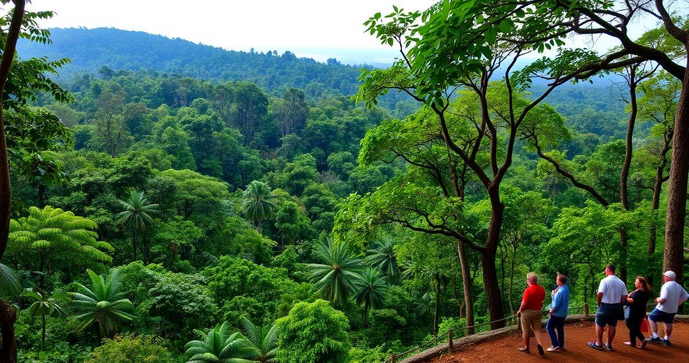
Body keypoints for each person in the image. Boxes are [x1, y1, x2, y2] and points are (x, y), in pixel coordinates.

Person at [588, 264, 628, 351]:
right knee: (612, 325)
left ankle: (598, 343)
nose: (605, 271)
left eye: (606, 270)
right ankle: (609, 344)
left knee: (599, 323)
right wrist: (620, 303)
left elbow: (600, 293)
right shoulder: (621, 282)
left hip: (605, 305)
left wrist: (598, 303)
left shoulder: (604, 281)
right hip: (616, 306)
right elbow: (625, 295)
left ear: (609, 270)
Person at [646, 270, 689, 347]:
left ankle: (655, 336)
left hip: (663, 308)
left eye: (664, 276)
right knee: (668, 322)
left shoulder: (666, 285)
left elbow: (663, 299)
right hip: (673, 309)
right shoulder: (678, 286)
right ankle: (666, 339)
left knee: (651, 318)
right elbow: (686, 296)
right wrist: (678, 303)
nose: (664, 277)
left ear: (667, 277)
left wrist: (657, 300)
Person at [517, 272, 546, 355]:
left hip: (527, 313)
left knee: (526, 330)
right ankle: (539, 344)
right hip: (538, 311)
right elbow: (542, 299)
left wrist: (520, 311)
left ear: (529, 281)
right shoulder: (541, 289)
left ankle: (527, 347)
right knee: (537, 329)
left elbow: (524, 303)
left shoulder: (528, 290)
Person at [624, 276, 651, 348]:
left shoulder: (640, 292)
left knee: (630, 325)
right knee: (635, 326)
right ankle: (632, 341)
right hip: (641, 312)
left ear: (641, 284)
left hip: (634, 312)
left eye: (636, 282)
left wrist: (626, 297)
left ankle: (642, 339)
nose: (635, 283)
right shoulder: (645, 291)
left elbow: (631, 300)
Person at [546, 273, 570, 352]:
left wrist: (553, 295)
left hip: (557, 314)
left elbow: (555, 305)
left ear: (560, 281)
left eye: (557, 279)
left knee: (549, 327)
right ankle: (561, 345)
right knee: (560, 328)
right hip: (563, 313)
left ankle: (555, 345)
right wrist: (556, 290)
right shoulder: (565, 288)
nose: (556, 280)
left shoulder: (559, 293)